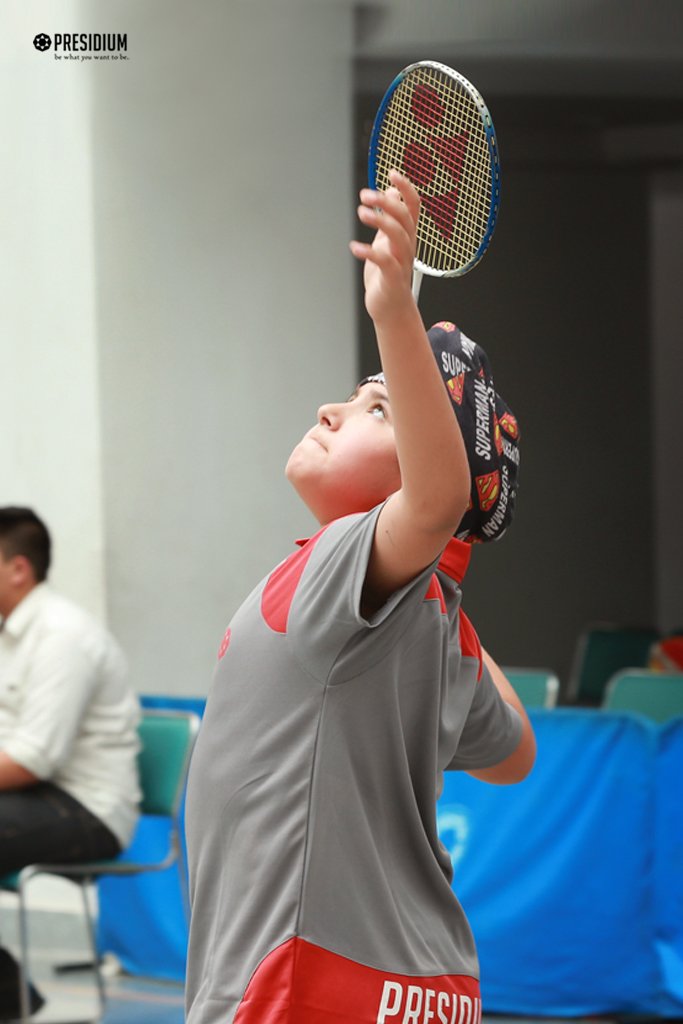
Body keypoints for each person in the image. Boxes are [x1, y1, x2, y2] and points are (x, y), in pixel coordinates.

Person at [184, 171, 536, 1024]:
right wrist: (445, 569)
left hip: (302, 986)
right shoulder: (427, 619)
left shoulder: (343, 564)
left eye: (375, 405)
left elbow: (436, 497)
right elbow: (513, 752)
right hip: (422, 987)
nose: (331, 409)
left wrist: (394, 315)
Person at [0, 507, 141, 1019]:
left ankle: (11, 999)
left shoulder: (61, 636)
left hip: (87, 809)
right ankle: (12, 997)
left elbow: (32, 759)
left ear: (19, 569)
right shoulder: (11, 636)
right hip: (37, 797)